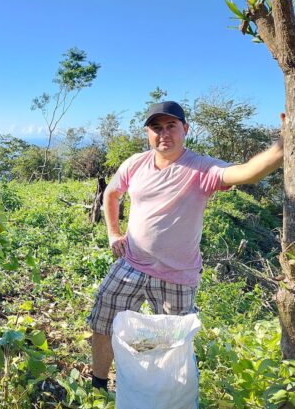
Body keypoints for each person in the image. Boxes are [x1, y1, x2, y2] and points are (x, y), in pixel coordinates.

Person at [88, 100, 284, 392]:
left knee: (174, 344)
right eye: (156, 127)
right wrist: (113, 234)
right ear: (147, 133)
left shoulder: (202, 168)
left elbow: (247, 173)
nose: (163, 133)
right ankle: (98, 385)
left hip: (177, 275)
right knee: (103, 320)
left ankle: (169, 394)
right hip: (131, 263)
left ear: (185, 129)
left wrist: (283, 145)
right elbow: (112, 193)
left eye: (171, 126)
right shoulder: (135, 163)